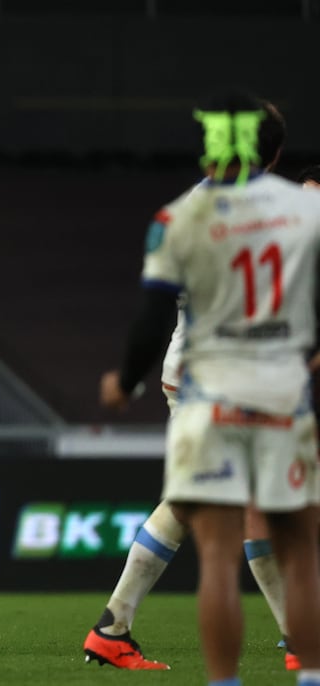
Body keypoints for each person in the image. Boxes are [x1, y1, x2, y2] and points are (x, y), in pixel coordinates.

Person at [99, 89, 320, 686]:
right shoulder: (296, 211)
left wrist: (124, 380)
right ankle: (304, 654)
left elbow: (153, 311)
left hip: (193, 372)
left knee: (214, 526)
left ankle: (117, 629)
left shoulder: (184, 213)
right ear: (272, 157)